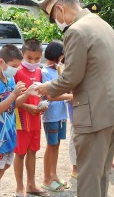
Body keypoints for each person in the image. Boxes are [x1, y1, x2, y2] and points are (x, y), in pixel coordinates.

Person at [36, 0, 114, 197]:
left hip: (94, 113)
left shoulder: (76, 31)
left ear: (59, 9)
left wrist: (46, 88)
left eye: (54, 17)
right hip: (112, 109)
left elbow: (71, 77)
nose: (57, 23)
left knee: (89, 176)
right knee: (101, 173)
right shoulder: (102, 24)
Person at [0, 44, 37, 197]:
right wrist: (14, 94)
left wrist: (26, 94)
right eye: (14, 66)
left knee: (5, 164)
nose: (16, 70)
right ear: (1, 62)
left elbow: (13, 105)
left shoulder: (9, 78)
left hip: (10, 133)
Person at [14, 39, 49, 197]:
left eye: (36, 59)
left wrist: (42, 105)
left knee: (33, 151)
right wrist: (29, 107)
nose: (33, 62)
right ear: (22, 55)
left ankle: (31, 184)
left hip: (35, 119)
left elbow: (40, 94)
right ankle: (20, 187)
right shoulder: (16, 72)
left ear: (41, 56)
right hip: (21, 120)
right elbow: (12, 100)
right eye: (29, 58)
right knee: (20, 153)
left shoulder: (39, 72)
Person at [41, 40, 73, 192]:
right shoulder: (45, 72)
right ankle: (47, 178)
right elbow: (49, 95)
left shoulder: (58, 70)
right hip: (51, 114)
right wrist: (70, 97)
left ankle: (54, 175)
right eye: (62, 54)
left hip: (60, 114)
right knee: (51, 145)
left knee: (57, 145)